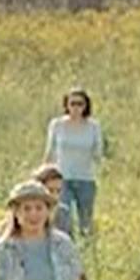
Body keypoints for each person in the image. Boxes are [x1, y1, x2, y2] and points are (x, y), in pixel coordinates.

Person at [45, 87, 105, 239]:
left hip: (85, 178)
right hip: (62, 178)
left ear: (86, 106)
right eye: (72, 104)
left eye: (80, 104)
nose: (76, 108)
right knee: (63, 219)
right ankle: (66, 250)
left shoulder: (93, 126)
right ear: (66, 105)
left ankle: (87, 251)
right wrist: (44, 174)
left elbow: (98, 152)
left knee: (86, 221)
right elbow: (50, 151)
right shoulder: (57, 125)